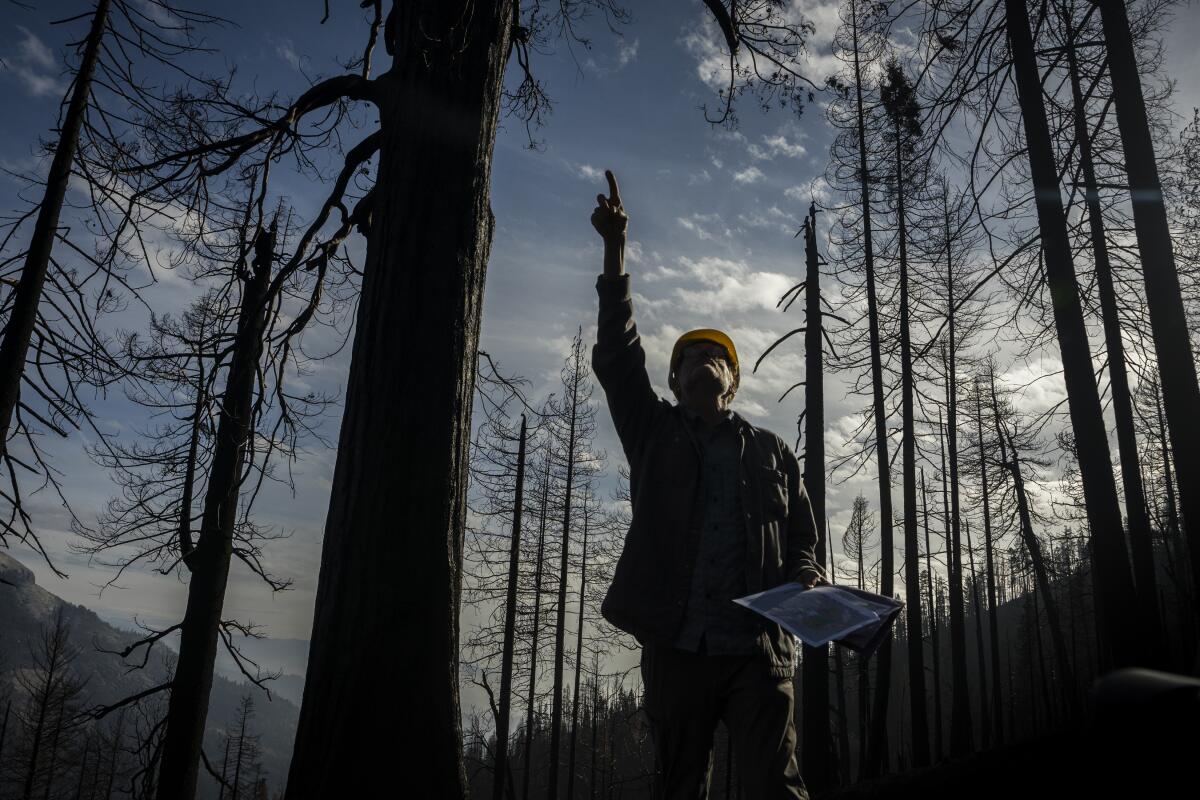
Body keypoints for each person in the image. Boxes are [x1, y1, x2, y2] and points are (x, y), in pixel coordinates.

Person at [589, 169, 824, 799]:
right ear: (673, 382)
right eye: (689, 356)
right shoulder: (653, 434)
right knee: (680, 787)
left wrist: (807, 576)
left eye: (717, 355)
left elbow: (803, 536)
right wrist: (615, 253)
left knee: (778, 787)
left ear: (734, 382)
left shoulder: (773, 451)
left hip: (759, 652)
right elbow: (617, 357)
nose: (703, 360)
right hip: (679, 651)